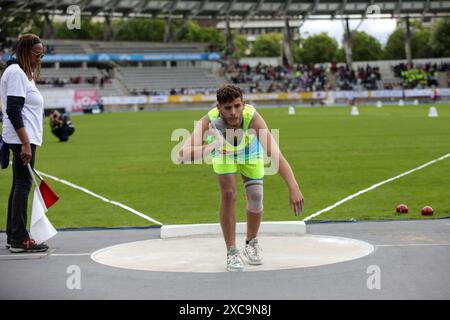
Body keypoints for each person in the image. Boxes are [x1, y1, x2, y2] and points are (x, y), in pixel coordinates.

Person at [178, 84, 304, 272]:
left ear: (243, 104)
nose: (234, 112)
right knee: (229, 194)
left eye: (237, 106)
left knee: (256, 196)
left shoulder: (252, 117)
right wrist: (213, 146)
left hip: (250, 152)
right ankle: (232, 251)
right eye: (227, 108)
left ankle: (251, 242)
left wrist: (293, 187)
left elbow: (276, 155)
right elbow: (182, 155)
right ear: (218, 107)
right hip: (223, 152)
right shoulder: (209, 120)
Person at [0, 33, 48, 253]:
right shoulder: (17, 73)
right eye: (37, 54)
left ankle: (14, 236)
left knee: (19, 184)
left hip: (21, 137)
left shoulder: (21, 72)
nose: (40, 58)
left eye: (42, 54)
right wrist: (26, 143)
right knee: (23, 186)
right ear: (25, 52)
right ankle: (20, 239)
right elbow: (13, 109)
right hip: (22, 139)